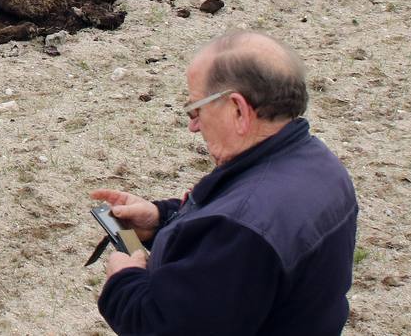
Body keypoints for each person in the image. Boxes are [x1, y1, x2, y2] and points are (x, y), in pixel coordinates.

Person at [92, 30, 358, 335]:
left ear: (238, 110)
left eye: (196, 109)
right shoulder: (320, 164)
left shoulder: (241, 229)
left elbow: (164, 326)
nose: (193, 125)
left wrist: (123, 280)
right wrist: (162, 219)